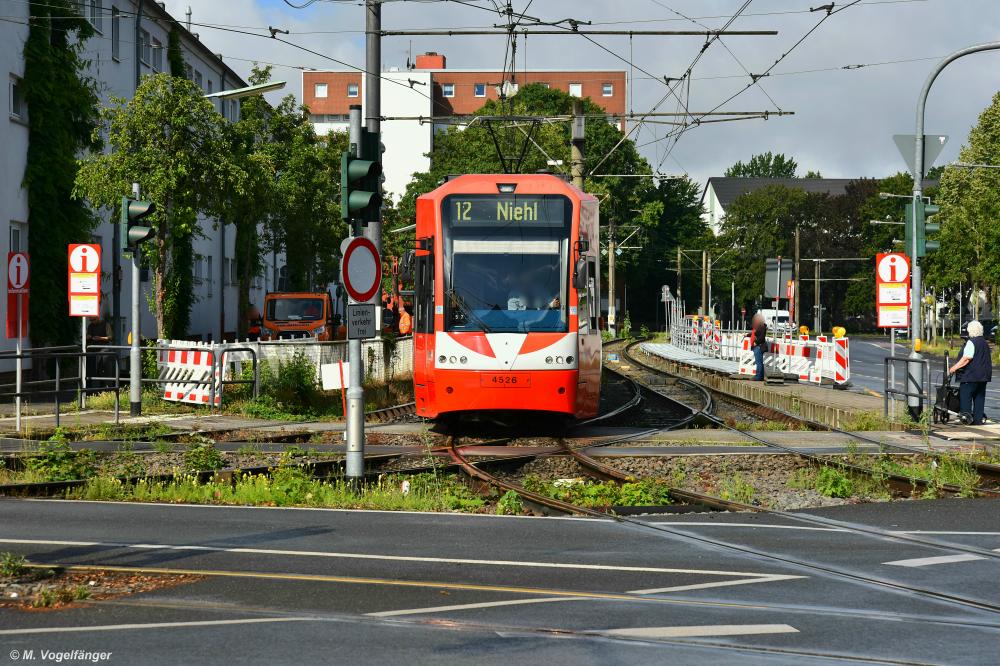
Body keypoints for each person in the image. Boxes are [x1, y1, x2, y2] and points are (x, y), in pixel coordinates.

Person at [948, 319, 992, 425]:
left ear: (970, 331)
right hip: (983, 376)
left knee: (966, 397)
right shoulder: (984, 343)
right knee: (979, 398)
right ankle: (978, 420)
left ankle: (966, 418)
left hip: (970, 376)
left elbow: (966, 358)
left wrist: (954, 368)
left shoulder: (971, 342)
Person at [749, 312, 767, 381]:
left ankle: (758, 377)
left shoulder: (761, 327)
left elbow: (761, 337)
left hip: (758, 346)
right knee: (759, 362)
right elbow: (755, 334)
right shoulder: (760, 327)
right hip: (758, 346)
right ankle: (760, 376)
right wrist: (747, 335)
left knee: (758, 362)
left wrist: (756, 343)